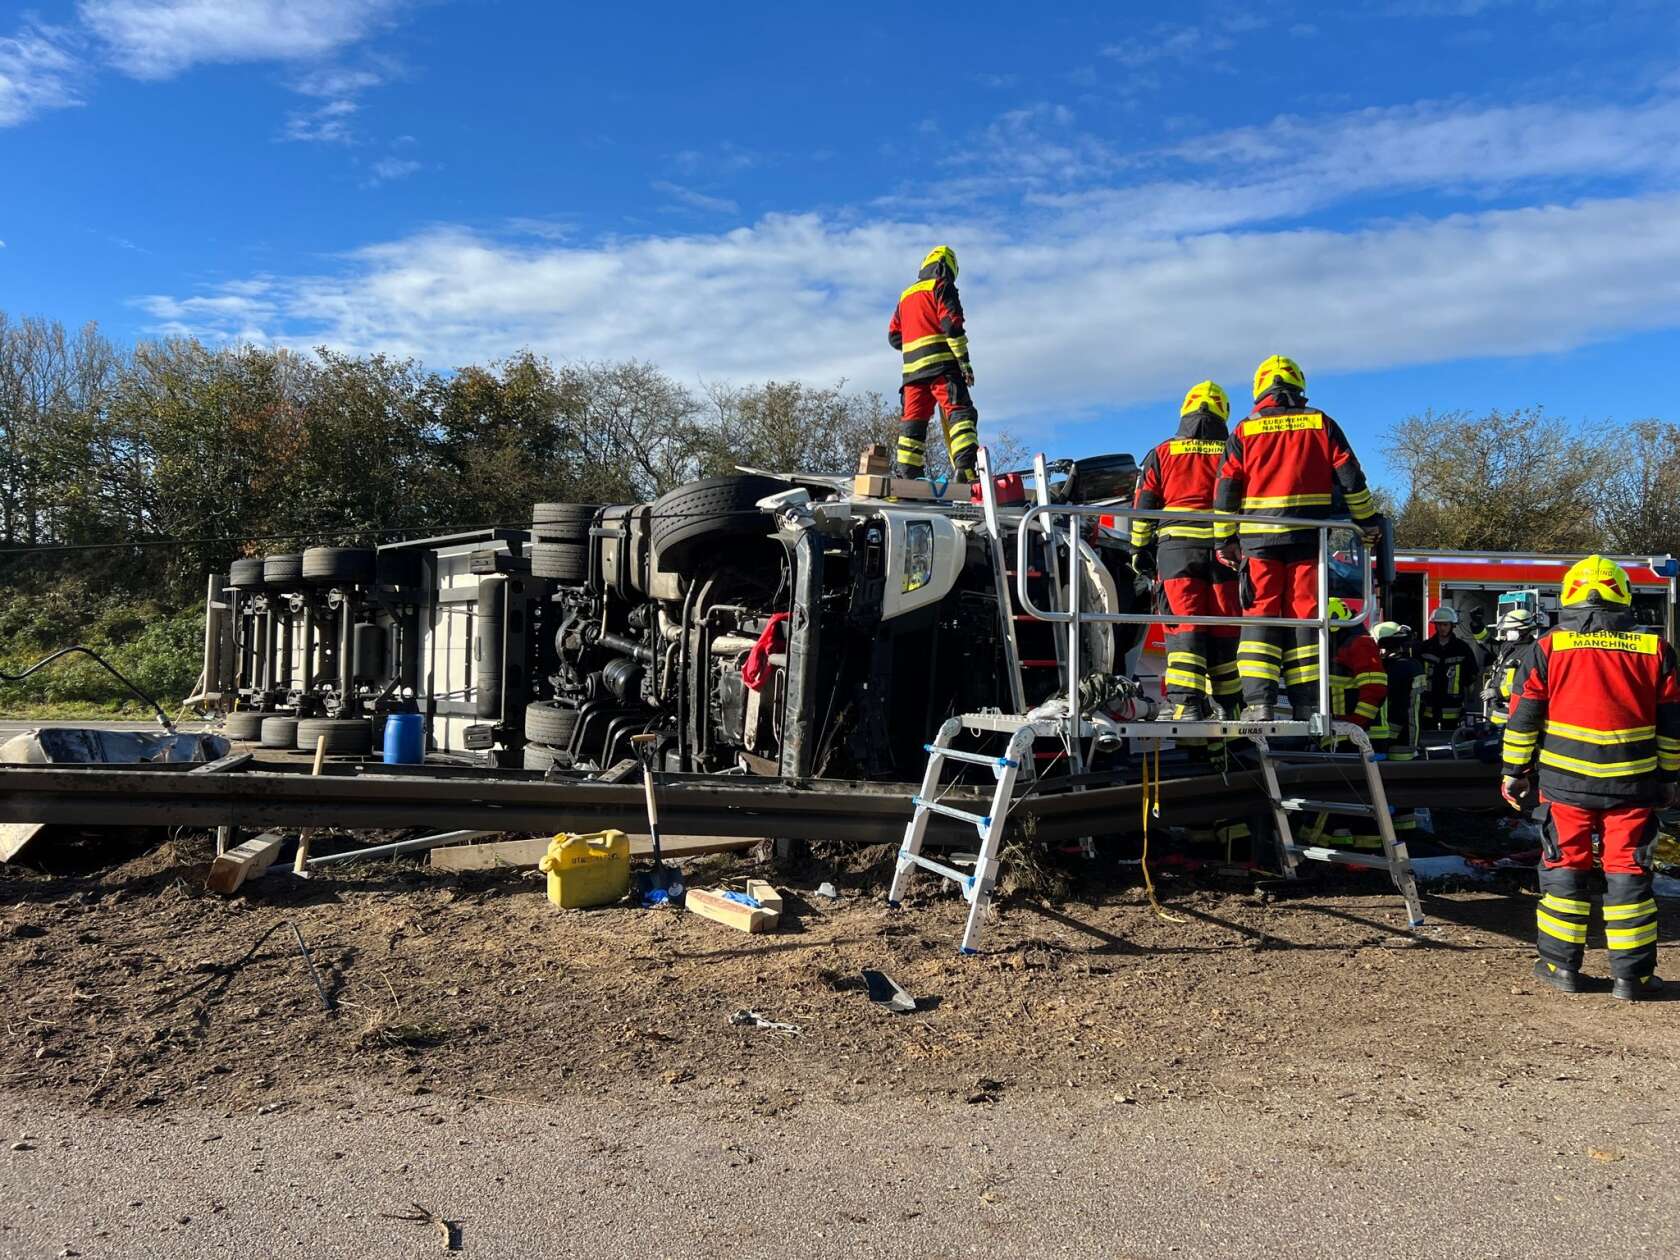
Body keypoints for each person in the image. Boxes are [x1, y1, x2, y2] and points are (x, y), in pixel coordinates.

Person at [1501, 555, 1680, 1001]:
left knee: (1564, 872)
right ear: (1623, 595)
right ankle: (1632, 979)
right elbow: (1672, 726)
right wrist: (1670, 779)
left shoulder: (1547, 648)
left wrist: (1514, 774)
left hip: (1565, 787)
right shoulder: (1655, 650)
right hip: (1634, 787)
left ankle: (1560, 967)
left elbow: (1522, 719)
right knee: (1629, 875)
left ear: (1570, 595)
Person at [1213, 355, 1381, 721]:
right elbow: (1351, 478)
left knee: (1261, 618)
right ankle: (1307, 704)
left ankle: (1260, 704)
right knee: (1306, 618)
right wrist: (1367, 521)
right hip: (1309, 540)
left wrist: (1224, 540)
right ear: (1298, 386)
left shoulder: (1244, 429)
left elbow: (1226, 489)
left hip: (1258, 543)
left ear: (1260, 389)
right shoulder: (1322, 423)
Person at [1131, 380, 1241, 722]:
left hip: (1176, 555)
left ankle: (1188, 705)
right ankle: (1232, 706)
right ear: (1223, 412)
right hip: (1226, 555)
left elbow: (1143, 507)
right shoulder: (1234, 451)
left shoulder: (1162, 453)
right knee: (1224, 629)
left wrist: (1139, 550)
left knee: (1185, 628)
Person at [1299, 598, 1388, 849]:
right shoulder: (1342, 641)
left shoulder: (1358, 643)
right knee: (1352, 794)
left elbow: (1375, 688)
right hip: (1338, 730)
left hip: (1349, 733)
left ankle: (1318, 844)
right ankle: (1356, 848)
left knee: (1335, 790)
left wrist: (1354, 724)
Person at [887, 246, 979, 482]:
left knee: (912, 426)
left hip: (912, 376)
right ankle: (966, 471)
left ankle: (908, 478)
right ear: (948, 268)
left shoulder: (905, 296)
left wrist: (915, 345)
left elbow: (894, 336)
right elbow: (952, 326)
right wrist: (965, 364)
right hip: (943, 371)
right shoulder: (941, 287)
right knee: (960, 415)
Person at [1416, 605, 1476, 732]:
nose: (1442, 628)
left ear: (1452, 625)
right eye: (1439, 624)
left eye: (1445, 625)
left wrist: (1468, 703)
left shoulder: (1462, 648)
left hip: (1453, 707)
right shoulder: (1425, 647)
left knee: (1452, 741)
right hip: (1428, 705)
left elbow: (1471, 677)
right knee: (1428, 739)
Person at [1371, 621, 1424, 762]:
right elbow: (1414, 709)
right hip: (1405, 737)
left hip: (1385, 739)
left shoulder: (1384, 668)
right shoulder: (1414, 665)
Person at [1484, 607, 1540, 728]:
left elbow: (1526, 684)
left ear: (1523, 630)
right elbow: (1487, 643)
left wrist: (1497, 692)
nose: (1507, 632)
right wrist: (1476, 626)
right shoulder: (1508, 647)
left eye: (1510, 630)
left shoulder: (1532, 652)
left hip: (1512, 713)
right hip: (1497, 711)